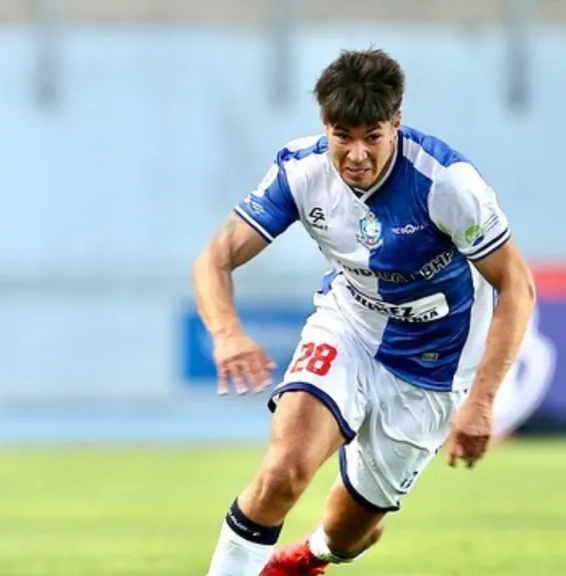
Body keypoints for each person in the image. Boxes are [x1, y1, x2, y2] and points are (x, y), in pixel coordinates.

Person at [191, 48, 536, 576]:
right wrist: (227, 332)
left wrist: (484, 401)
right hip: (349, 324)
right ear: (324, 125)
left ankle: (309, 557)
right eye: (342, 135)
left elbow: (518, 285)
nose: (355, 154)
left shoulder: (447, 184)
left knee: (352, 533)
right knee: (283, 471)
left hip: (435, 364)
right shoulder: (300, 171)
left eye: (371, 136)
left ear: (396, 123)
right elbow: (215, 257)